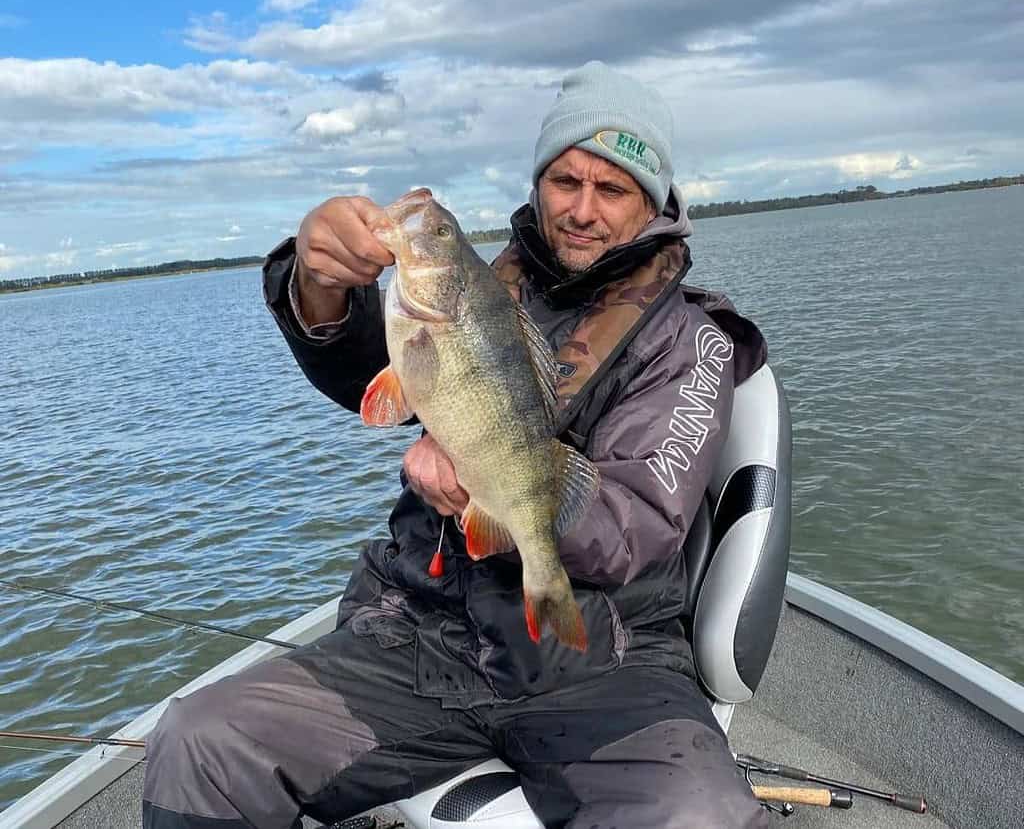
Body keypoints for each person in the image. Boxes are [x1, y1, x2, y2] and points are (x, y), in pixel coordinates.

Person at [143, 61, 770, 829]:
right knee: (198, 741)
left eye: (611, 190)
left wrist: (488, 482)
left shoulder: (689, 343)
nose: (581, 209)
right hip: (421, 635)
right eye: (564, 181)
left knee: (698, 816)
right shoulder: (473, 285)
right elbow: (368, 373)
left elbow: (635, 521)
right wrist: (319, 282)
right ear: (538, 182)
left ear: (653, 202)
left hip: (607, 663)